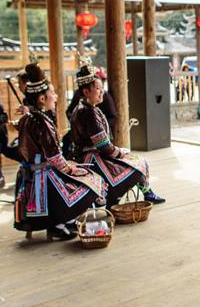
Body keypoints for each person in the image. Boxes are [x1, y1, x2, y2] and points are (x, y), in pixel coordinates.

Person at [14, 62, 106, 240]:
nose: (56, 97)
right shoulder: (41, 121)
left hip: (35, 171)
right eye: (52, 94)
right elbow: (55, 158)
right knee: (90, 180)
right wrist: (71, 168)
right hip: (44, 174)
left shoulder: (29, 117)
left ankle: (66, 221)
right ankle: (58, 223)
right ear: (42, 99)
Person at [69, 61, 162, 207]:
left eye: (102, 88)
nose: (102, 92)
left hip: (89, 155)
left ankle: (146, 192)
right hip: (92, 158)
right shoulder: (88, 112)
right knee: (136, 165)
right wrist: (120, 153)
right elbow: (103, 145)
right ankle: (117, 199)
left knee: (133, 161)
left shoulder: (84, 108)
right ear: (86, 92)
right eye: (98, 89)